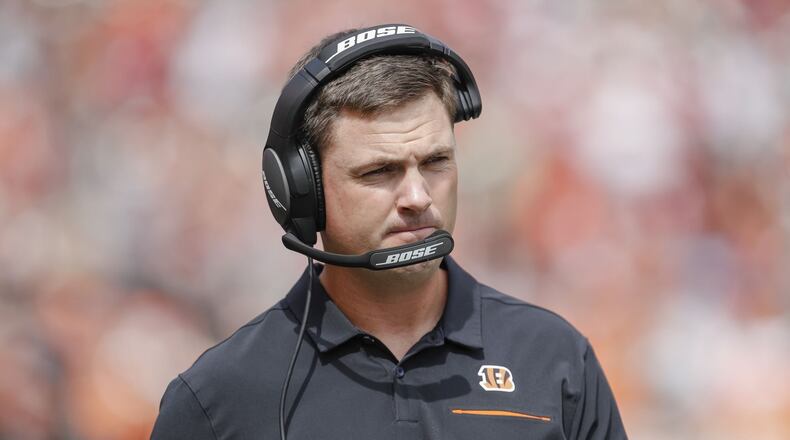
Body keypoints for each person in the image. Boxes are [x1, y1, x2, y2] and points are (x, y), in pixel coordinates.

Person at [151, 24, 627, 440]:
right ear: (304, 191)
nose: (418, 196)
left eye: (436, 162)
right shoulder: (217, 398)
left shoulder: (557, 360)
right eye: (379, 172)